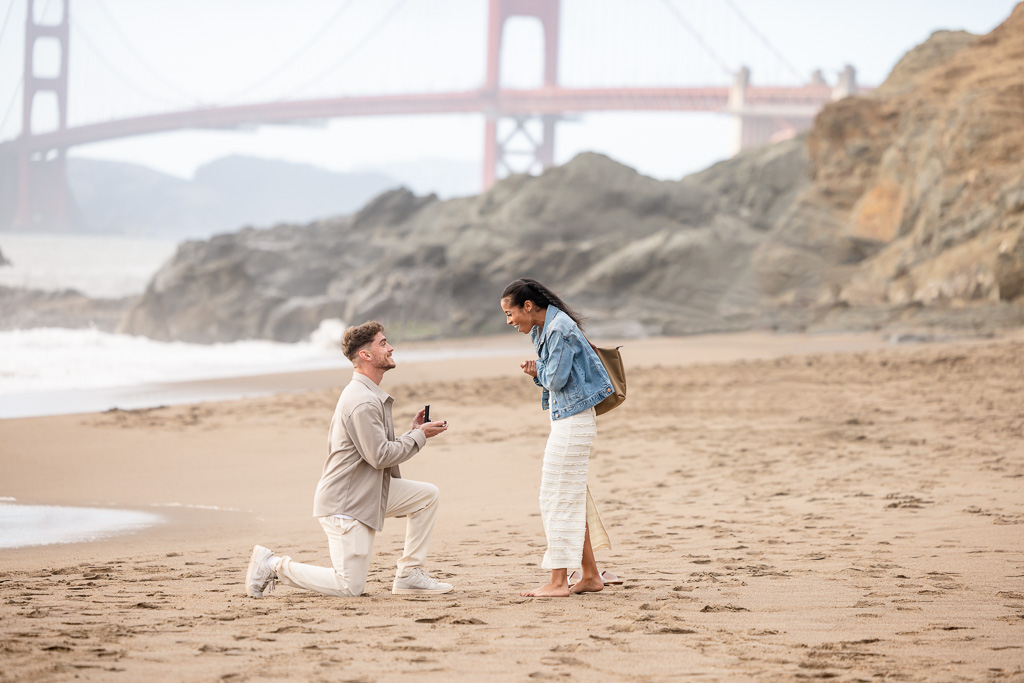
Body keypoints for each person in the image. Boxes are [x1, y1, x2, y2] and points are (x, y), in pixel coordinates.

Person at [245, 320, 452, 598]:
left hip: (367, 491)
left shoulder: (367, 394)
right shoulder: (362, 401)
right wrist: (420, 437)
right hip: (347, 504)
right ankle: (271, 565)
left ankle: (409, 575)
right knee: (349, 587)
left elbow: (376, 450)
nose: (391, 348)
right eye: (383, 343)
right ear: (365, 355)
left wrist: (414, 433)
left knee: (427, 496)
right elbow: (379, 456)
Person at [500, 277, 616, 597]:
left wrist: (538, 371)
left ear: (527, 306)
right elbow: (556, 376)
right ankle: (591, 576)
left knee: (556, 498)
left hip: (573, 422)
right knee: (569, 497)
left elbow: (556, 377)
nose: (509, 322)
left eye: (510, 314)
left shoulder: (557, 328)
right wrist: (540, 370)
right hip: (567, 419)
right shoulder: (544, 328)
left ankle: (557, 581)